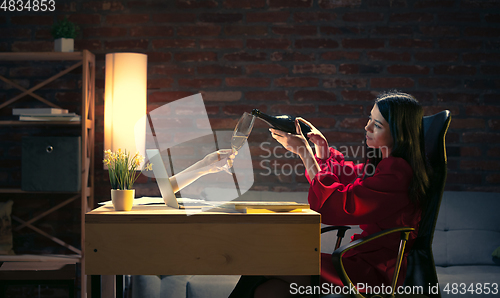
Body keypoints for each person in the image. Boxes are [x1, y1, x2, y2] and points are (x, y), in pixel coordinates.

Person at [228, 91, 429, 298]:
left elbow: (339, 202)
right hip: (357, 261)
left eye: (377, 125)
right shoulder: (382, 166)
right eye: (370, 119)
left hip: (372, 272)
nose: (367, 127)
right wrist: (321, 149)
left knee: (264, 262)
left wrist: (306, 154)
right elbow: (343, 177)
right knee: (267, 292)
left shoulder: (398, 173)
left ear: (400, 133)